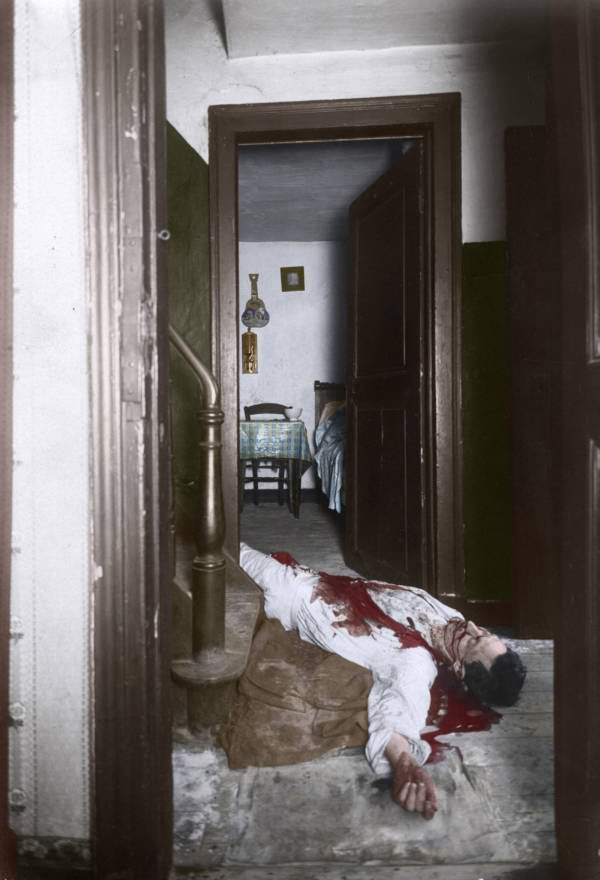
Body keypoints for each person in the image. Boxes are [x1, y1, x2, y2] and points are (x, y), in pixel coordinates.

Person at [239, 542, 527, 821]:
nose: (473, 627)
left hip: (284, 591)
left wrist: (404, 763)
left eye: (473, 640)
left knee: (220, 550)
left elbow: (399, 708)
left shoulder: (414, 662)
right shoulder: (455, 620)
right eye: (484, 632)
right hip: (307, 577)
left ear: (459, 669)